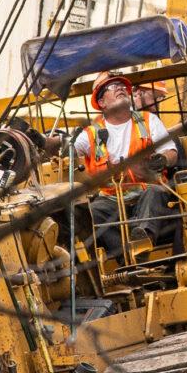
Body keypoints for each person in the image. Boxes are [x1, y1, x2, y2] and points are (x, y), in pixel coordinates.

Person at [73, 73, 178, 258]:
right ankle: (125, 255)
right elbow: (67, 154)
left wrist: (161, 159)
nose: (120, 88)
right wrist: (50, 143)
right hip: (111, 199)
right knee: (91, 213)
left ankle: (143, 241)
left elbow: (171, 152)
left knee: (156, 192)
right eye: (112, 87)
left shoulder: (148, 120)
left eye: (122, 86)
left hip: (147, 190)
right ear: (101, 102)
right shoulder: (90, 134)